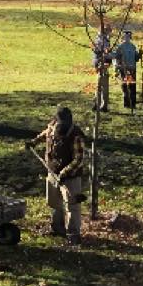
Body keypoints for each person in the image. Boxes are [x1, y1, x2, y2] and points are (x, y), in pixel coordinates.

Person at [35, 105, 89, 242]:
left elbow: (79, 160)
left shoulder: (76, 135)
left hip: (71, 177)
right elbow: (45, 134)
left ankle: (73, 234)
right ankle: (57, 228)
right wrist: (33, 142)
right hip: (52, 171)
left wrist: (65, 173)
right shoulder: (52, 126)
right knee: (54, 202)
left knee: (72, 205)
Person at [114, 32, 143, 110]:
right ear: (123, 37)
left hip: (132, 69)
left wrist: (140, 54)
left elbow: (136, 58)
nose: (127, 38)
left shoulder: (132, 46)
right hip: (123, 69)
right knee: (125, 86)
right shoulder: (119, 47)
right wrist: (117, 69)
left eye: (128, 36)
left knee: (132, 86)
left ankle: (133, 104)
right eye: (125, 36)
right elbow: (116, 59)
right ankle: (126, 103)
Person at [91, 29, 112, 112]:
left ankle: (104, 105)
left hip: (104, 66)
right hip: (99, 66)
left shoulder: (105, 41)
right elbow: (96, 54)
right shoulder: (99, 41)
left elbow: (108, 54)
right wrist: (97, 64)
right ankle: (97, 104)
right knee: (99, 86)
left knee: (103, 87)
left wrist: (107, 63)